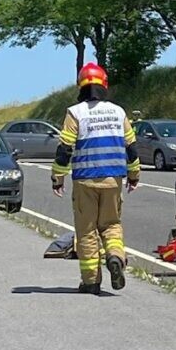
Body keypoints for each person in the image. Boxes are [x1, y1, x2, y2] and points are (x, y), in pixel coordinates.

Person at [51, 63, 140, 295]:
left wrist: (57, 177)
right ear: (105, 84)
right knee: (111, 225)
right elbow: (131, 147)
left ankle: (91, 281)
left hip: (85, 180)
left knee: (87, 231)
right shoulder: (118, 112)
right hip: (113, 179)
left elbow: (65, 148)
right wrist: (134, 175)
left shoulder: (75, 112)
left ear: (81, 86)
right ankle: (115, 257)